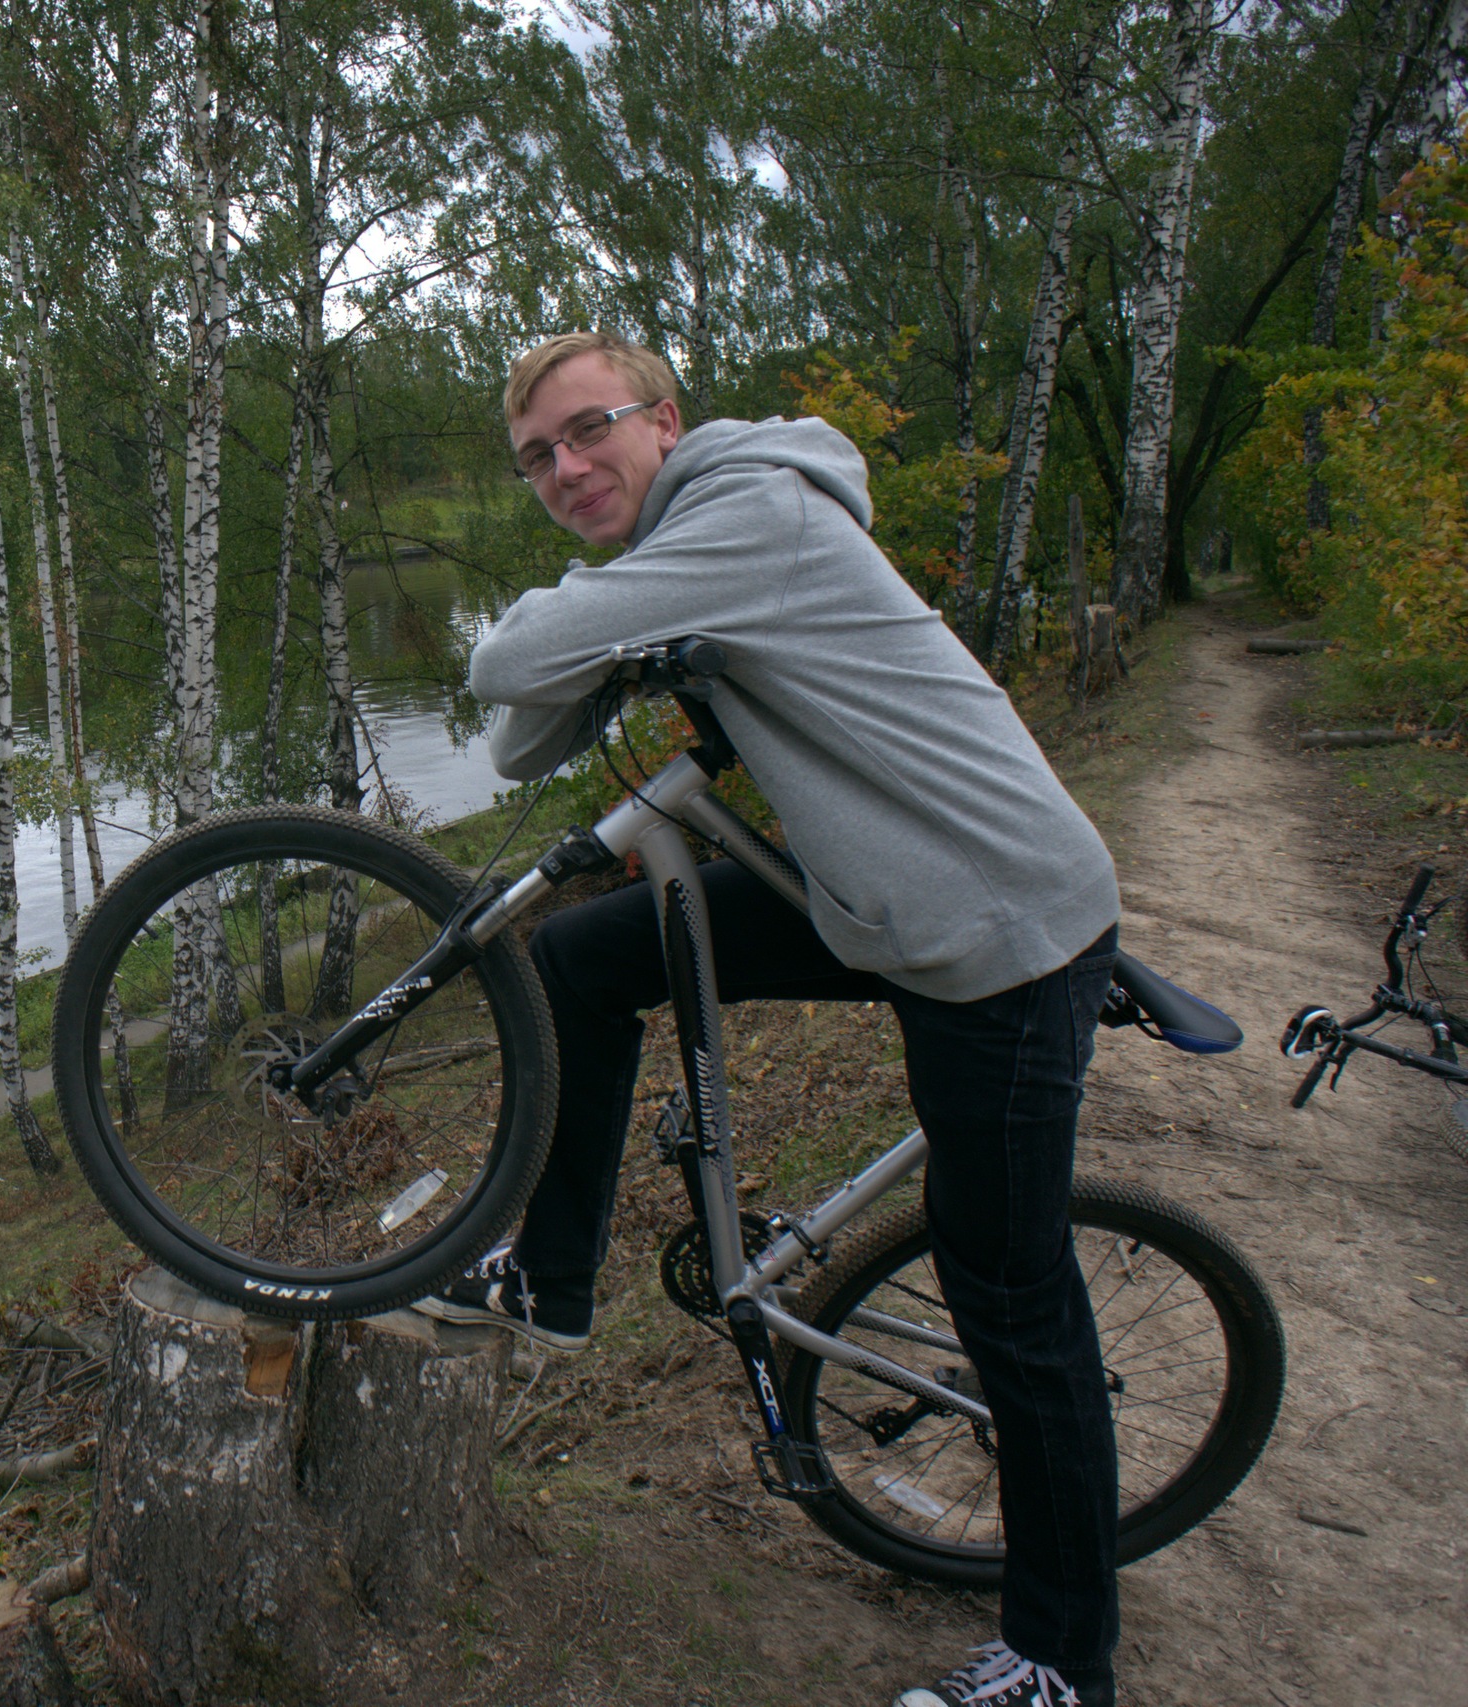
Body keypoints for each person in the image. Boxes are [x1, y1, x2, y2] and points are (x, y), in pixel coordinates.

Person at [411, 332, 1125, 1707]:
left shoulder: (752, 515)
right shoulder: (687, 551)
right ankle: (552, 1283)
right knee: (582, 958)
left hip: (997, 934)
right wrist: (602, 636)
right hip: (889, 901)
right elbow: (520, 738)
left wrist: (577, 621)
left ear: (664, 421)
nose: (567, 469)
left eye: (589, 429)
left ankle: (1060, 1661)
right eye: (538, 458)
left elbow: (506, 665)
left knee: (1009, 1298)